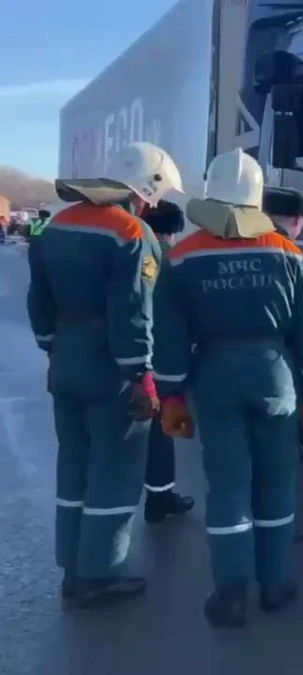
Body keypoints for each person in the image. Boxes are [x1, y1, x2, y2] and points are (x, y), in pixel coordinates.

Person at [151, 148, 303, 628]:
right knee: (276, 482)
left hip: (214, 378)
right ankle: (275, 585)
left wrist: (170, 396)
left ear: (211, 195)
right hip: (276, 377)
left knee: (228, 488)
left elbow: (168, 335)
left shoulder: (183, 257)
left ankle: (230, 595)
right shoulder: (287, 252)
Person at [27, 142, 182, 608]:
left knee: (73, 464)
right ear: (145, 188)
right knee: (114, 469)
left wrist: (51, 348)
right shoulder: (131, 233)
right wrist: (143, 377)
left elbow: (39, 301)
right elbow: (134, 312)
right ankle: (102, 572)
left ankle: (72, 569)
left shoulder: (55, 225)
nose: (154, 205)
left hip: (66, 359)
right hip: (112, 366)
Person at [262, 186, 303, 543]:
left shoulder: (224, 246)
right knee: (278, 461)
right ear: (296, 221)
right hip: (280, 371)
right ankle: (278, 530)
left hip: (219, 372)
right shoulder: (291, 255)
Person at [139, 199, 196, 523]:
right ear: (174, 231)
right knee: (160, 427)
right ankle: (159, 498)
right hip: (157, 354)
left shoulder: (137, 245)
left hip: (126, 351)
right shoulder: (167, 257)